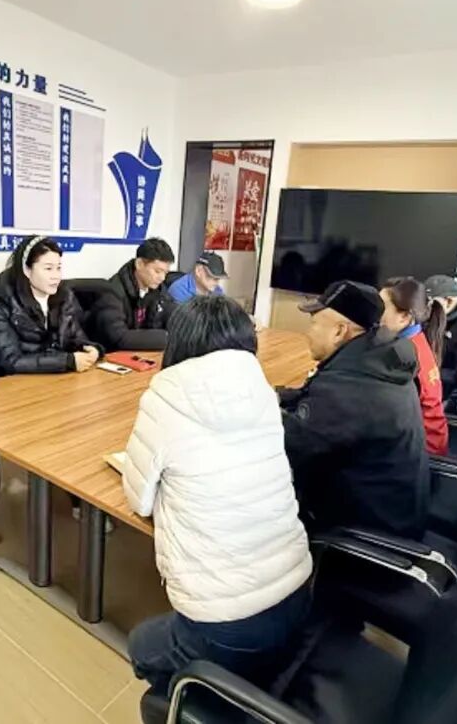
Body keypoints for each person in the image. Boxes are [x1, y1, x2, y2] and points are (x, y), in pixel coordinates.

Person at [122, 296, 313, 697]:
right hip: (299, 592)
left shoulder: (166, 395)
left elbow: (138, 500)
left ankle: (193, 699)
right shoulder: (262, 389)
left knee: (140, 646)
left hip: (226, 625)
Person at [278, 280, 428, 537]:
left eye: (314, 323)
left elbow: (290, 444)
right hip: (394, 511)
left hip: (365, 533)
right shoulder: (374, 362)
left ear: (339, 331)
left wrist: (257, 409)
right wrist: (277, 396)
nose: (308, 332)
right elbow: (317, 400)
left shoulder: (350, 390)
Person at [0, 235, 103, 375]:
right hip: (13, 382)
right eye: (48, 269)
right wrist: (67, 361)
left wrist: (92, 349)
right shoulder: (2, 304)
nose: (56, 276)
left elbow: (75, 338)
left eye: (58, 268)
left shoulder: (64, 297)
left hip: (55, 377)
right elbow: (11, 361)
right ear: (27, 270)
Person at [379, 277, 449, 455]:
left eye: (381, 307)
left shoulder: (405, 358)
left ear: (404, 317)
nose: (375, 313)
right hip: (427, 440)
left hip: (420, 452)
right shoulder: (416, 341)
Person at [89, 238, 176, 351]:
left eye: (166, 273)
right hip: (111, 355)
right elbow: (120, 338)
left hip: (142, 354)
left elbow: (173, 314)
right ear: (139, 264)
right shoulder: (111, 292)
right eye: (157, 271)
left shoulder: (157, 289)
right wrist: (168, 337)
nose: (162, 278)